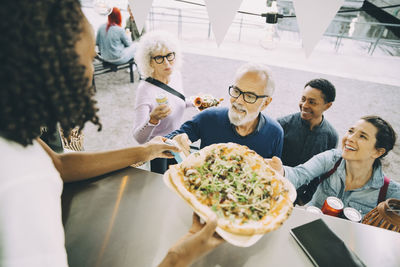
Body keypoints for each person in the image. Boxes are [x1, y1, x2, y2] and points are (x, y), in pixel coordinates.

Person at [0, 1, 221, 266]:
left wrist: (146, 150)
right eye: (88, 61)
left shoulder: (12, 128)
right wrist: (177, 258)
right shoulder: (24, 181)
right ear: (49, 70)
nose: (93, 72)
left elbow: (59, 164)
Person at [268, 116, 400, 217]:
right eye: (350, 131)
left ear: (378, 152)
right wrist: (280, 171)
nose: (350, 138)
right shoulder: (331, 159)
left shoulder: (389, 190)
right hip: (307, 228)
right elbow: (300, 174)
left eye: (362, 136)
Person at [167, 62, 283, 160]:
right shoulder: (209, 118)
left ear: (266, 103)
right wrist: (175, 141)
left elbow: (272, 176)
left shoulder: (275, 133)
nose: (238, 101)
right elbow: (168, 140)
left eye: (249, 96)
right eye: (236, 91)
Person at [132, 30, 194, 173]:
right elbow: (139, 138)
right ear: (149, 62)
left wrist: (195, 102)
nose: (167, 63)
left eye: (169, 56)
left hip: (177, 140)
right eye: (159, 58)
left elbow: (178, 102)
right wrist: (153, 119)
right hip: (158, 148)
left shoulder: (175, 75)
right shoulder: (145, 90)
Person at [277, 78, 338, 204]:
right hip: (273, 189)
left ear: (328, 105)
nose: (304, 105)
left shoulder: (331, 136)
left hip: (296, 198)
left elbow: (323, 173)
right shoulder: (282, 126)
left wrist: (305, 197)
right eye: (303, 99)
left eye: (312, 102)